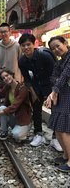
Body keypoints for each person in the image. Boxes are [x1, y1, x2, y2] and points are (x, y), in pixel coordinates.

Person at [18, 33, 56, 147]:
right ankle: (38, 134)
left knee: (55, 112)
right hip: (35, 87)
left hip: (50, 86)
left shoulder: (44, 56)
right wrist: (33, 93)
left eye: (28, 44)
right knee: (36, 112)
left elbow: (54, 74)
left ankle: (55, 137)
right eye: (23, 45)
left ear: (34, 44)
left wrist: (54, 92)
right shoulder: (22, 61)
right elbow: (27, 79)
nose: (26, 48)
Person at [45, 36, 70, 172]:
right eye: (53, 48)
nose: (56, 49)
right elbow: (53, 77)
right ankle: (66, 154)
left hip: (66, 96)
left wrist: (54, 91)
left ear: (65, 43)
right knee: (59, 127)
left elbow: (65, 75)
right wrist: (56, 87)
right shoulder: (59, 62)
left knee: (65, 128)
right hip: (61, 95)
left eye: (57, 45)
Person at [0, 68, 31, 141]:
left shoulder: (22, 88)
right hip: (14, 118)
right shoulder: (8, 87)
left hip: (22, 119)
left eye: (7, 75)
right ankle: (4, 131)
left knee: (16, 135)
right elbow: (0, 94)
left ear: (12, 74)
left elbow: (14, 106)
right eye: (3, 78)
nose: (6, 78)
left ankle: (24, 131)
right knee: (2, 108)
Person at [0, 23, 22, 117]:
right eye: (1, 32)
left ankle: (17, 124)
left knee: (16, 104)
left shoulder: (17, 46)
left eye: (5, 31)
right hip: (2, 81)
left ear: (10, 32)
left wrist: (22, 79)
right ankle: (0, 127)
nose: (4, 34)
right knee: (1, 104)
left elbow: (21, 63)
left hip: (15, 81)